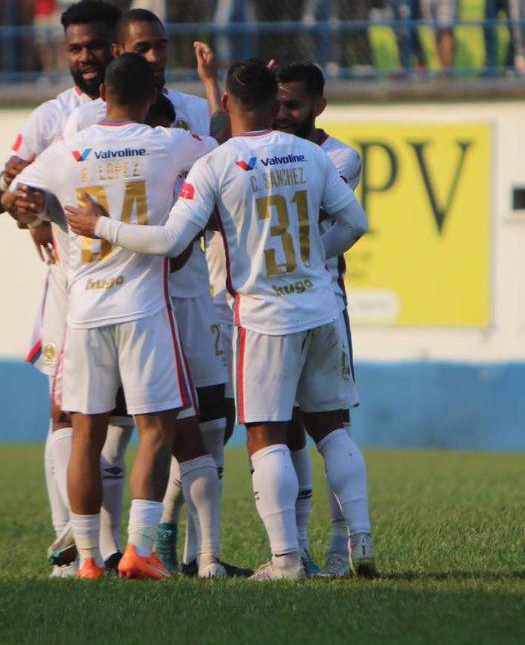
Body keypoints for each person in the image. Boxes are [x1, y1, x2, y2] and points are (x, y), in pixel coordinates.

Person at [66, 59, 368, 580]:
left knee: (266, 435)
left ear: (226, 105)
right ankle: (359, 543)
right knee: (332, 430)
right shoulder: (312, 156)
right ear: (276, 105)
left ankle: (286, 561)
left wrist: (101, 225)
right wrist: (316, 261)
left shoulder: (216, 163)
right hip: (322, 307)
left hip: (264, 315)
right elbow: (356, 222)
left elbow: (169, 241)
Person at [5, 54, 226, 580]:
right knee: (156, 428)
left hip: (84, 311)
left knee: (87, 431)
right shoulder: (169, 142)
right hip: (144, 307)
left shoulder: (67, 149)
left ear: (102, 92)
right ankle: (139, 549)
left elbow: (18, 197)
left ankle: (85, 559)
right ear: (153, 94)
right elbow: (219, 150)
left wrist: (32, 212)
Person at [0, 0, 119, 576]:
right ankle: (71, 544)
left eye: (94, 46)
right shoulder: (52, 116)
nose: (85, 58)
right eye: (76, 48)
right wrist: (23, 205)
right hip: (72, 282)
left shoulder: (151, 110)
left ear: (117, 47)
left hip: (143, 284)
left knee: (145, 421)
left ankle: (143, 546)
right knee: (66, 413)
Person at [273, 61, 377, 578]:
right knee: (284, 426)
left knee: (332, 424)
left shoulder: (339, 156)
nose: (283, 113)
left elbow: (309, 205)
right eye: (276, 102)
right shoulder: (267, 146)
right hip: (276, 307)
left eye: (293, 104)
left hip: (323, 303)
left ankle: (344, 543)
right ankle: (296, 546)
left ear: (319, 105)